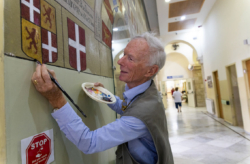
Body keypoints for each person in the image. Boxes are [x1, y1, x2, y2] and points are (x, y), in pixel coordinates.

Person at [31, 32, 174, 164]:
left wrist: (56, 98)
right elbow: (127, 108)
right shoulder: (146, 91)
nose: (119, 61)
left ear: (151, 70)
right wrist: (107, 96)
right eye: (123, 54)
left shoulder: (142, 113)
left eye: (130, 58)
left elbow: (89, 142)